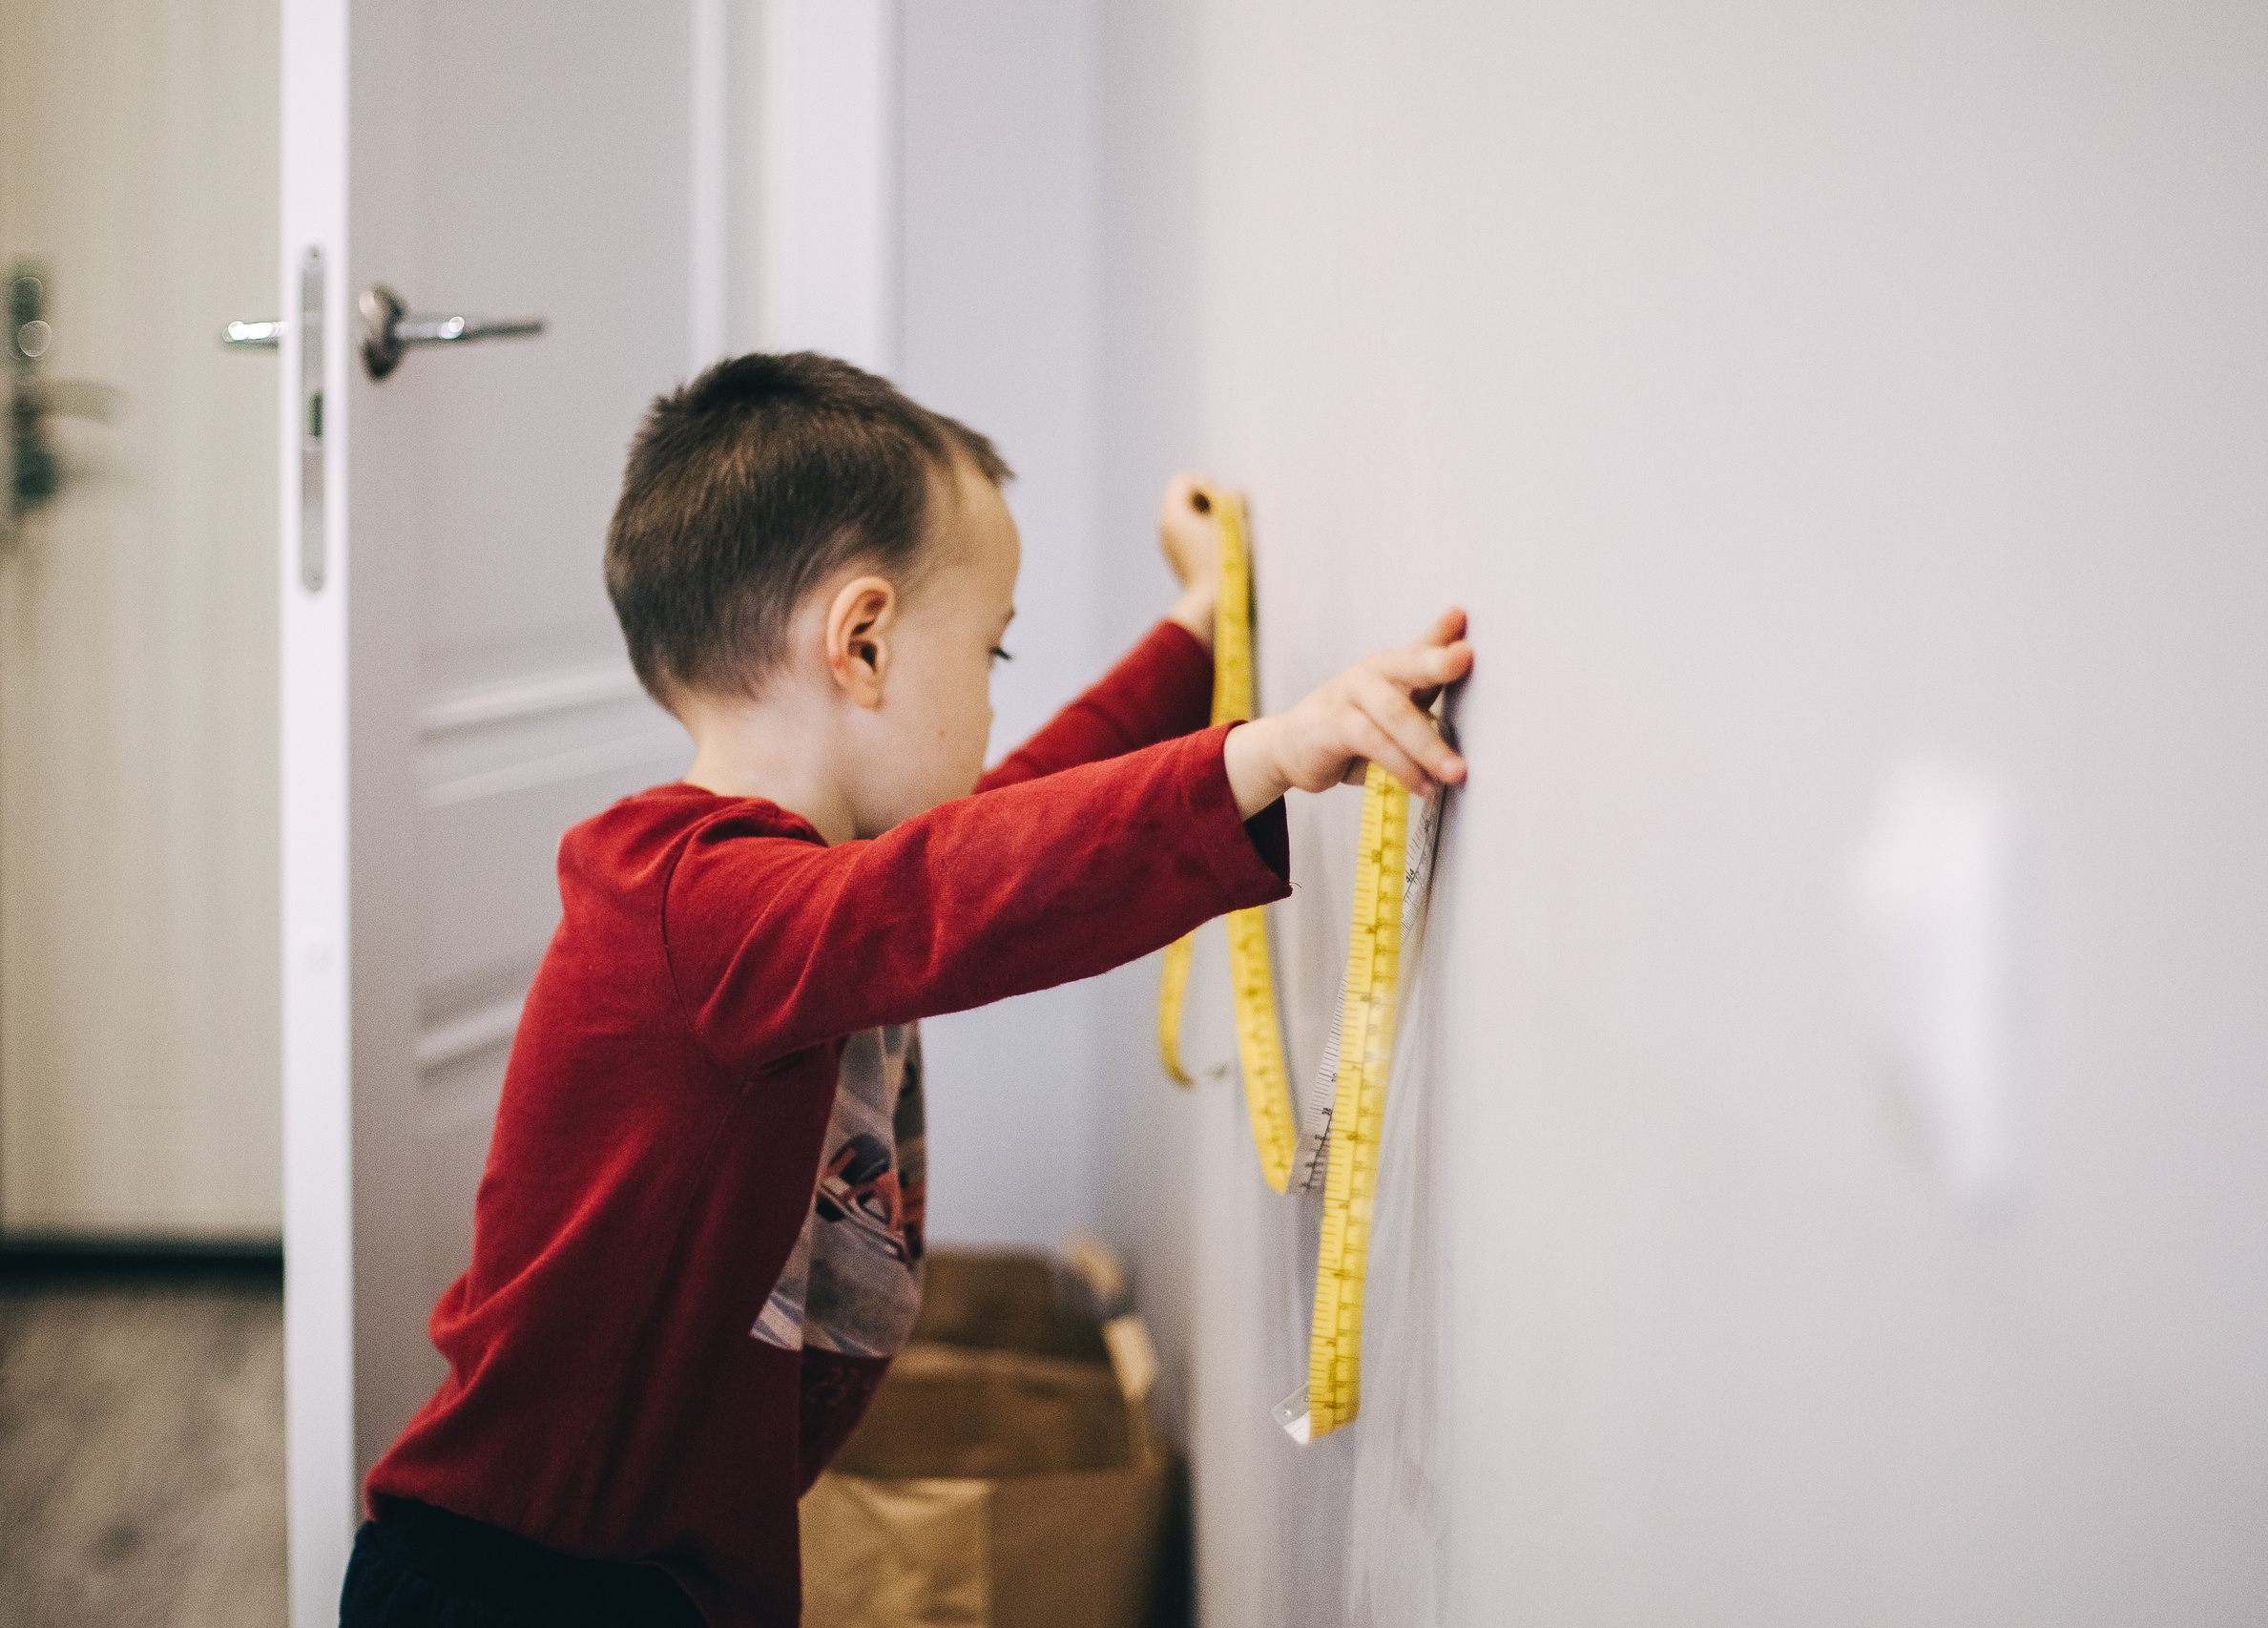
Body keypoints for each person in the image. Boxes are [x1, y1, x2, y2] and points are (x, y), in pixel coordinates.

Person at [337, 351, 1471, 1628]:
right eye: (990, 649)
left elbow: (1008, 824)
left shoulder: (799, 889)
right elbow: (961, 889)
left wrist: (1196, 632)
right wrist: (1264, 755)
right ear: (863, 642)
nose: (995, 691)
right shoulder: (692, 898)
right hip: (519, 1587)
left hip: (655, 1576)